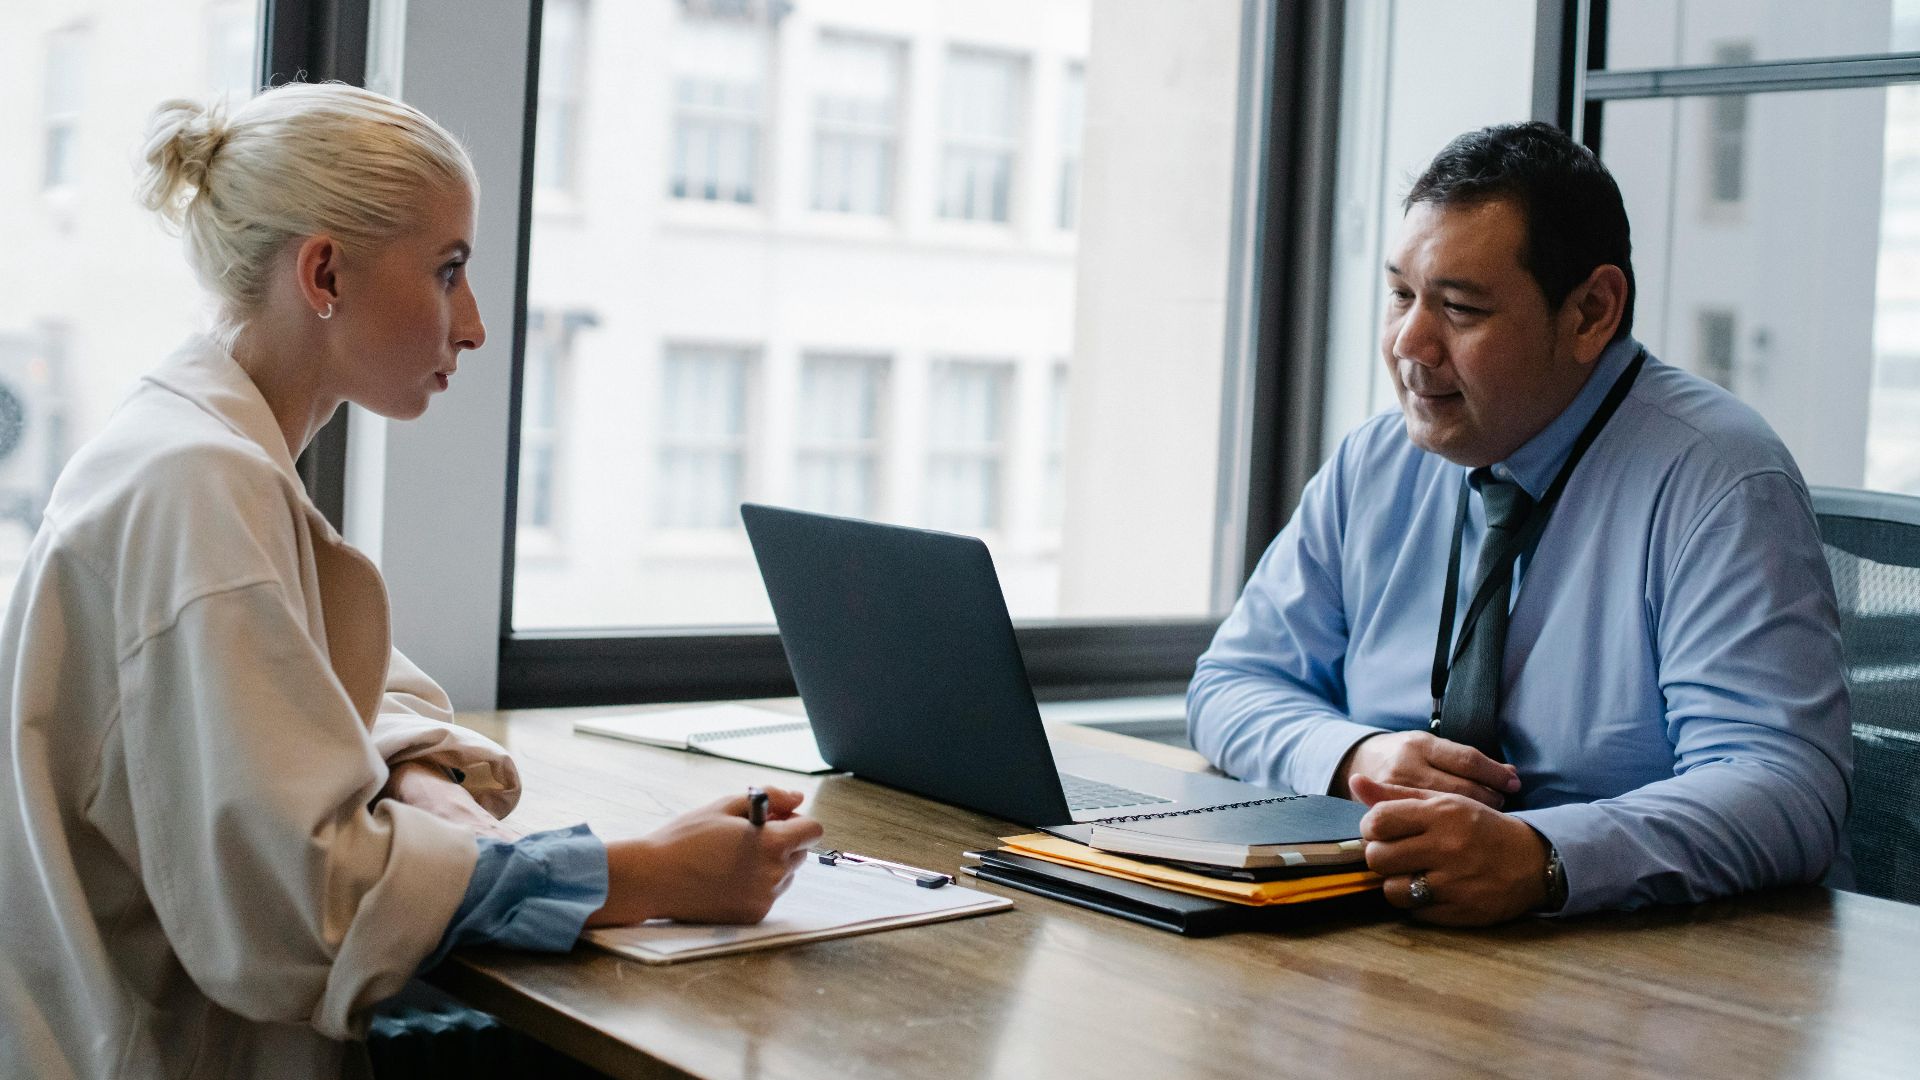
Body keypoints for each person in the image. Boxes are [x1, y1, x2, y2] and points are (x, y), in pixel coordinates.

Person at [0, 82, 823, 1079]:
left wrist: (419, 776)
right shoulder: (198, 485)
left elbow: (324, 694)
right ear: (323, 272)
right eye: (448, 272)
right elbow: (311, 907)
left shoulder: (193, 446)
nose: (472, 325)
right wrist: (644, 874)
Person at [1188, 121, 1851, 926]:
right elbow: (1231, 684)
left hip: (1632, 972)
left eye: (1460, 310)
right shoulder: (1377, 461)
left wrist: (1545, 857)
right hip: (1386, 933)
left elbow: (1784, 787)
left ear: (1591, 313)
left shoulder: (1719, 479)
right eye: (1400, 295)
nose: (1409, 344)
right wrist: (1356, 755)